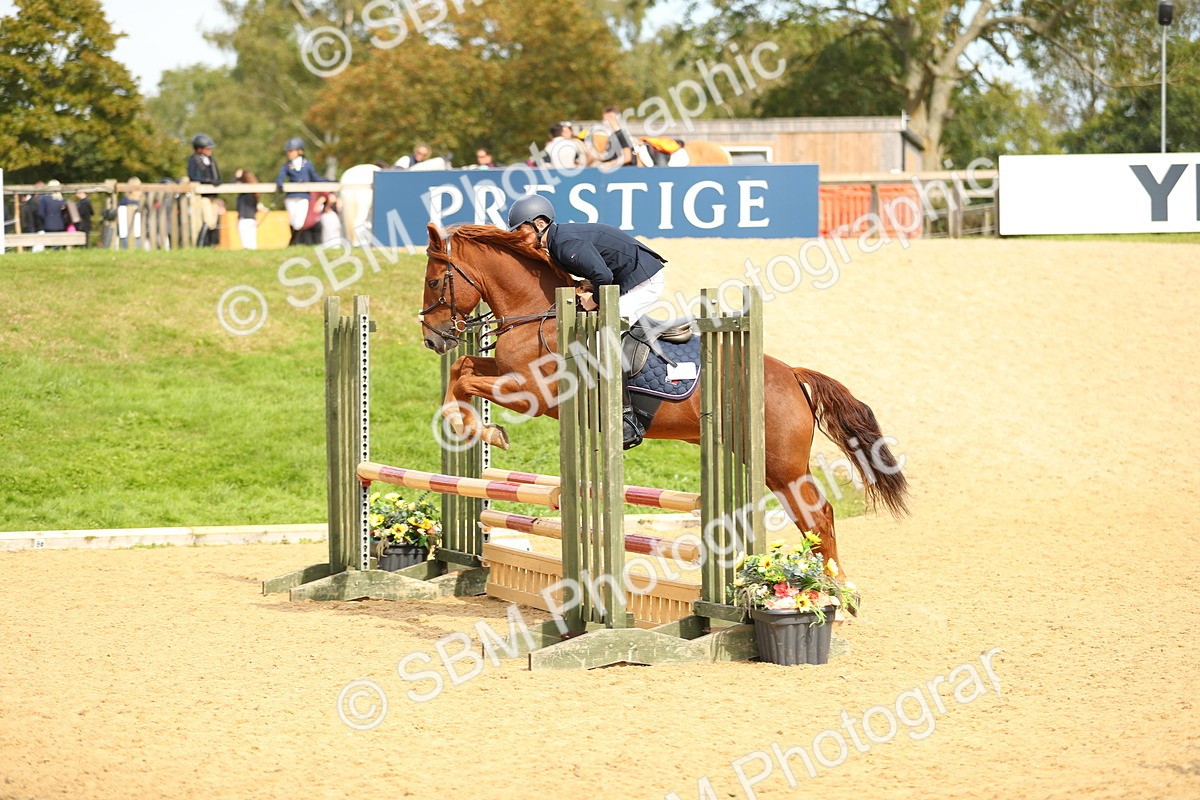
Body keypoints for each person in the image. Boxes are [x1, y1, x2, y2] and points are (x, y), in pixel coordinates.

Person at [506, 194, 667, 448]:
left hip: (643, 282)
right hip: (624, 279)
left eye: (520, 230)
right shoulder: (557, 243)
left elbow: (602, 275)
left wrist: (593, 300)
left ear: (539, 224)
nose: (517, 236)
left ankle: (627, 419)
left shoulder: (564, 243)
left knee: (603, 338)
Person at [275, 137, 327, 246]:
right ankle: (294, 243)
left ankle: (292, 243)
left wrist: (328, 181)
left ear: (299, 151)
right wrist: (280, 184)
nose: (289, 153)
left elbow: (315, 178)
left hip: (303, 196)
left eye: (291, 151)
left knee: (299, 222)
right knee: (293, 221)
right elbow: (281, 176)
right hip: (291, 195)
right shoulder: (287, 166)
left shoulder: (307, 164)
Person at [186, 133, 222, 247]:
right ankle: (201, 244)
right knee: (208, 220)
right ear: (199, 149)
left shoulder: (211, 161)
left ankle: (212, 244)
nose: (210, 150)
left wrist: (217, 181)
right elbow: (193, 176)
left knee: (214, 221)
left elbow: (217, 175)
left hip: (212, 195)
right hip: (203, 196)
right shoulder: (194, 160)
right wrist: (207, 181)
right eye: (207, 148)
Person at [234, 169, 259, 250]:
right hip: (251, 218)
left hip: (244, 218)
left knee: (246, 244)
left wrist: (237, 177)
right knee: (252, 243)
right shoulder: (254, 193)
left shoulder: (245, 193)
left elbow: (234, 184)